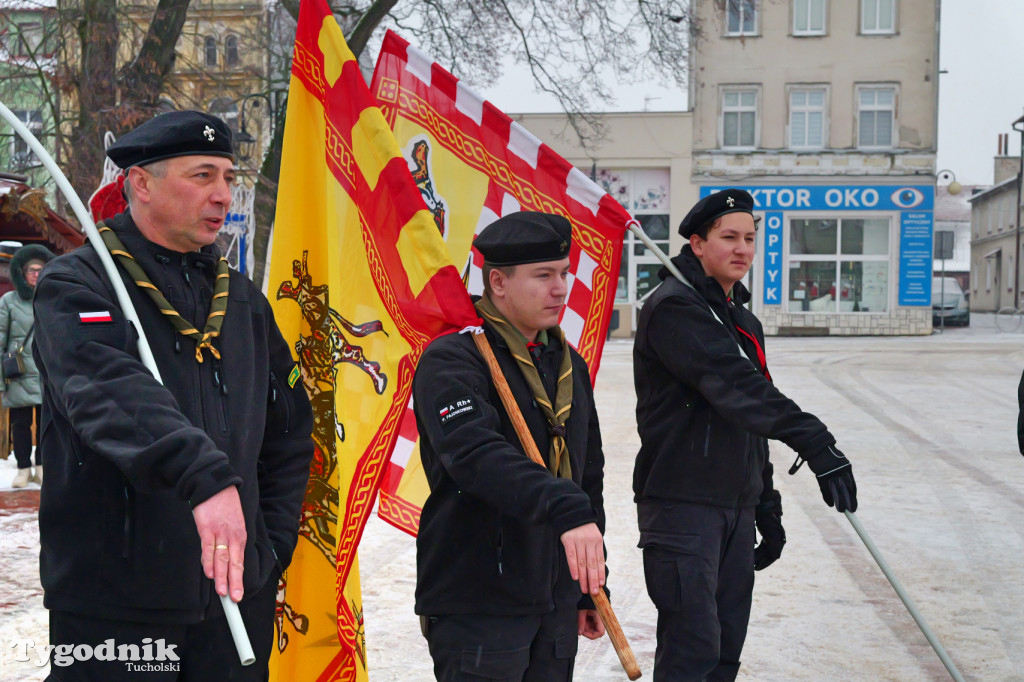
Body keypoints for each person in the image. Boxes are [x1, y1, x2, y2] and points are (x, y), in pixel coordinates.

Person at [33, 110, 314, 681]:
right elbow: (109, 393)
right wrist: (204, 475)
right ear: (141, 183)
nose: (222, 194)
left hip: (234, 602)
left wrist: (268, 546)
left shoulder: (242, 300)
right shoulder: (78, 284)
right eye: (202, 175)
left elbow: (289, 430)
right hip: (115, 606)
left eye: (229, 178)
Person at [633, 188, 858, 681]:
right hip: (683, 505)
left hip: (732, 506)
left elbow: (748, 419)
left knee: (724, 655)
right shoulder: (675, 308)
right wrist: (813, 439)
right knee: (693, 653)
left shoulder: (740, 318)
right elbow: (733, 387)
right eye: (728, 237)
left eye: (750, 239)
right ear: (696, 243)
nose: (742, 249)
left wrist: (764, 503)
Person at [412, 211, 608, 681]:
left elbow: (586, 477)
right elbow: (475, 455)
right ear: (497, 282)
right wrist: (563, 505)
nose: (560, 288)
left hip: (557, 597)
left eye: (563, 273)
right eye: (543, 276)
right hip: (481, 599)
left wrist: (589, 585)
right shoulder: (454, 358)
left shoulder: (567, 364)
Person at [0, 243, 53, 488]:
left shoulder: (53, 298)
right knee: (19, 424)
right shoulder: (8, 301)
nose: (35, 274)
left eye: (40, 270)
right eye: (31, 270)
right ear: (22, 273)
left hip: (47, 371)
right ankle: (23, 467)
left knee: (46, 424)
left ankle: (42, 466)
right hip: (18, 371)